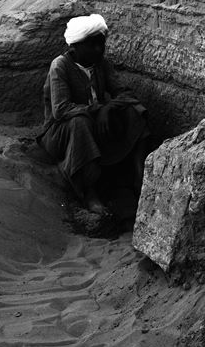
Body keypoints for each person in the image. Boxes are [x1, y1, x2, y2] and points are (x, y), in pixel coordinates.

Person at [38, 14, 149, 219]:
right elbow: (61, 110)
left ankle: (139, 174)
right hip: (60, 133)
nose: (98, 50)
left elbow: (124, 93)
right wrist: (99, 110)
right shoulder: (60, 66)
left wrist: (108, 108)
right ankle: (88, 191)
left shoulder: (101, 64)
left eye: (101, 45)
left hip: (92, 122)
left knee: (136, 111)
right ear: (76, 47)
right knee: (80, 122)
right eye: (92, 46)